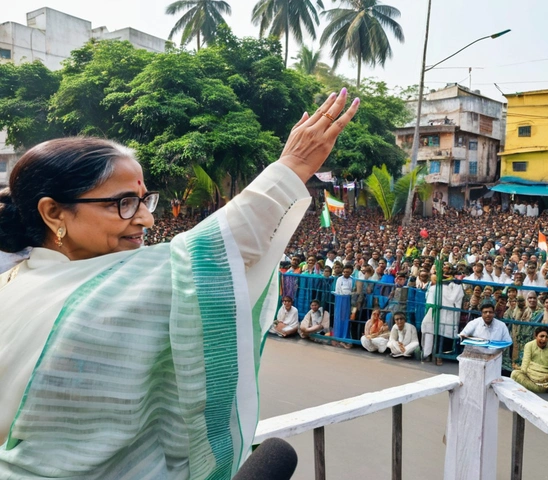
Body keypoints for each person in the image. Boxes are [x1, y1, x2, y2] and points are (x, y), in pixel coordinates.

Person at [0, 90, 359, 478]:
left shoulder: (13, 281)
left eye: (143, 200)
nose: (145, 219)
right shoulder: (104, 295)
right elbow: (218, 247)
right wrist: (293, 165)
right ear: (53, 211)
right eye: (122, 203)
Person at [511, 326, 548, 394]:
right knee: (515, 374)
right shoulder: (529, 345)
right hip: (530, 375)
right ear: (536, 336)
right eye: (541, 336)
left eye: (546, 337)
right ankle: (539, 389)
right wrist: (523, 372)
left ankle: (532, 387)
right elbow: (526, 361)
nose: (544, 339)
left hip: (545, 378)